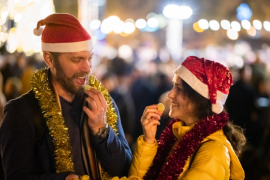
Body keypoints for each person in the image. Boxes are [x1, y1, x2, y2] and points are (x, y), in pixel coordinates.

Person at [0, 13, 132, 180]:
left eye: (89, 58)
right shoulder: (21, 112)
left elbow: (125, 169)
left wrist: (102, 131)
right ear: (49, 59)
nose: (87, 68)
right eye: (77, 59)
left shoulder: (102, 102)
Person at [128, 56, 246, 180]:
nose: (170, 94)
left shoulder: (213, 152)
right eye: (173, 86)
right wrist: (149, 140)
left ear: (198, 99)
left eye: (179, 89)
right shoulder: (178, 135)